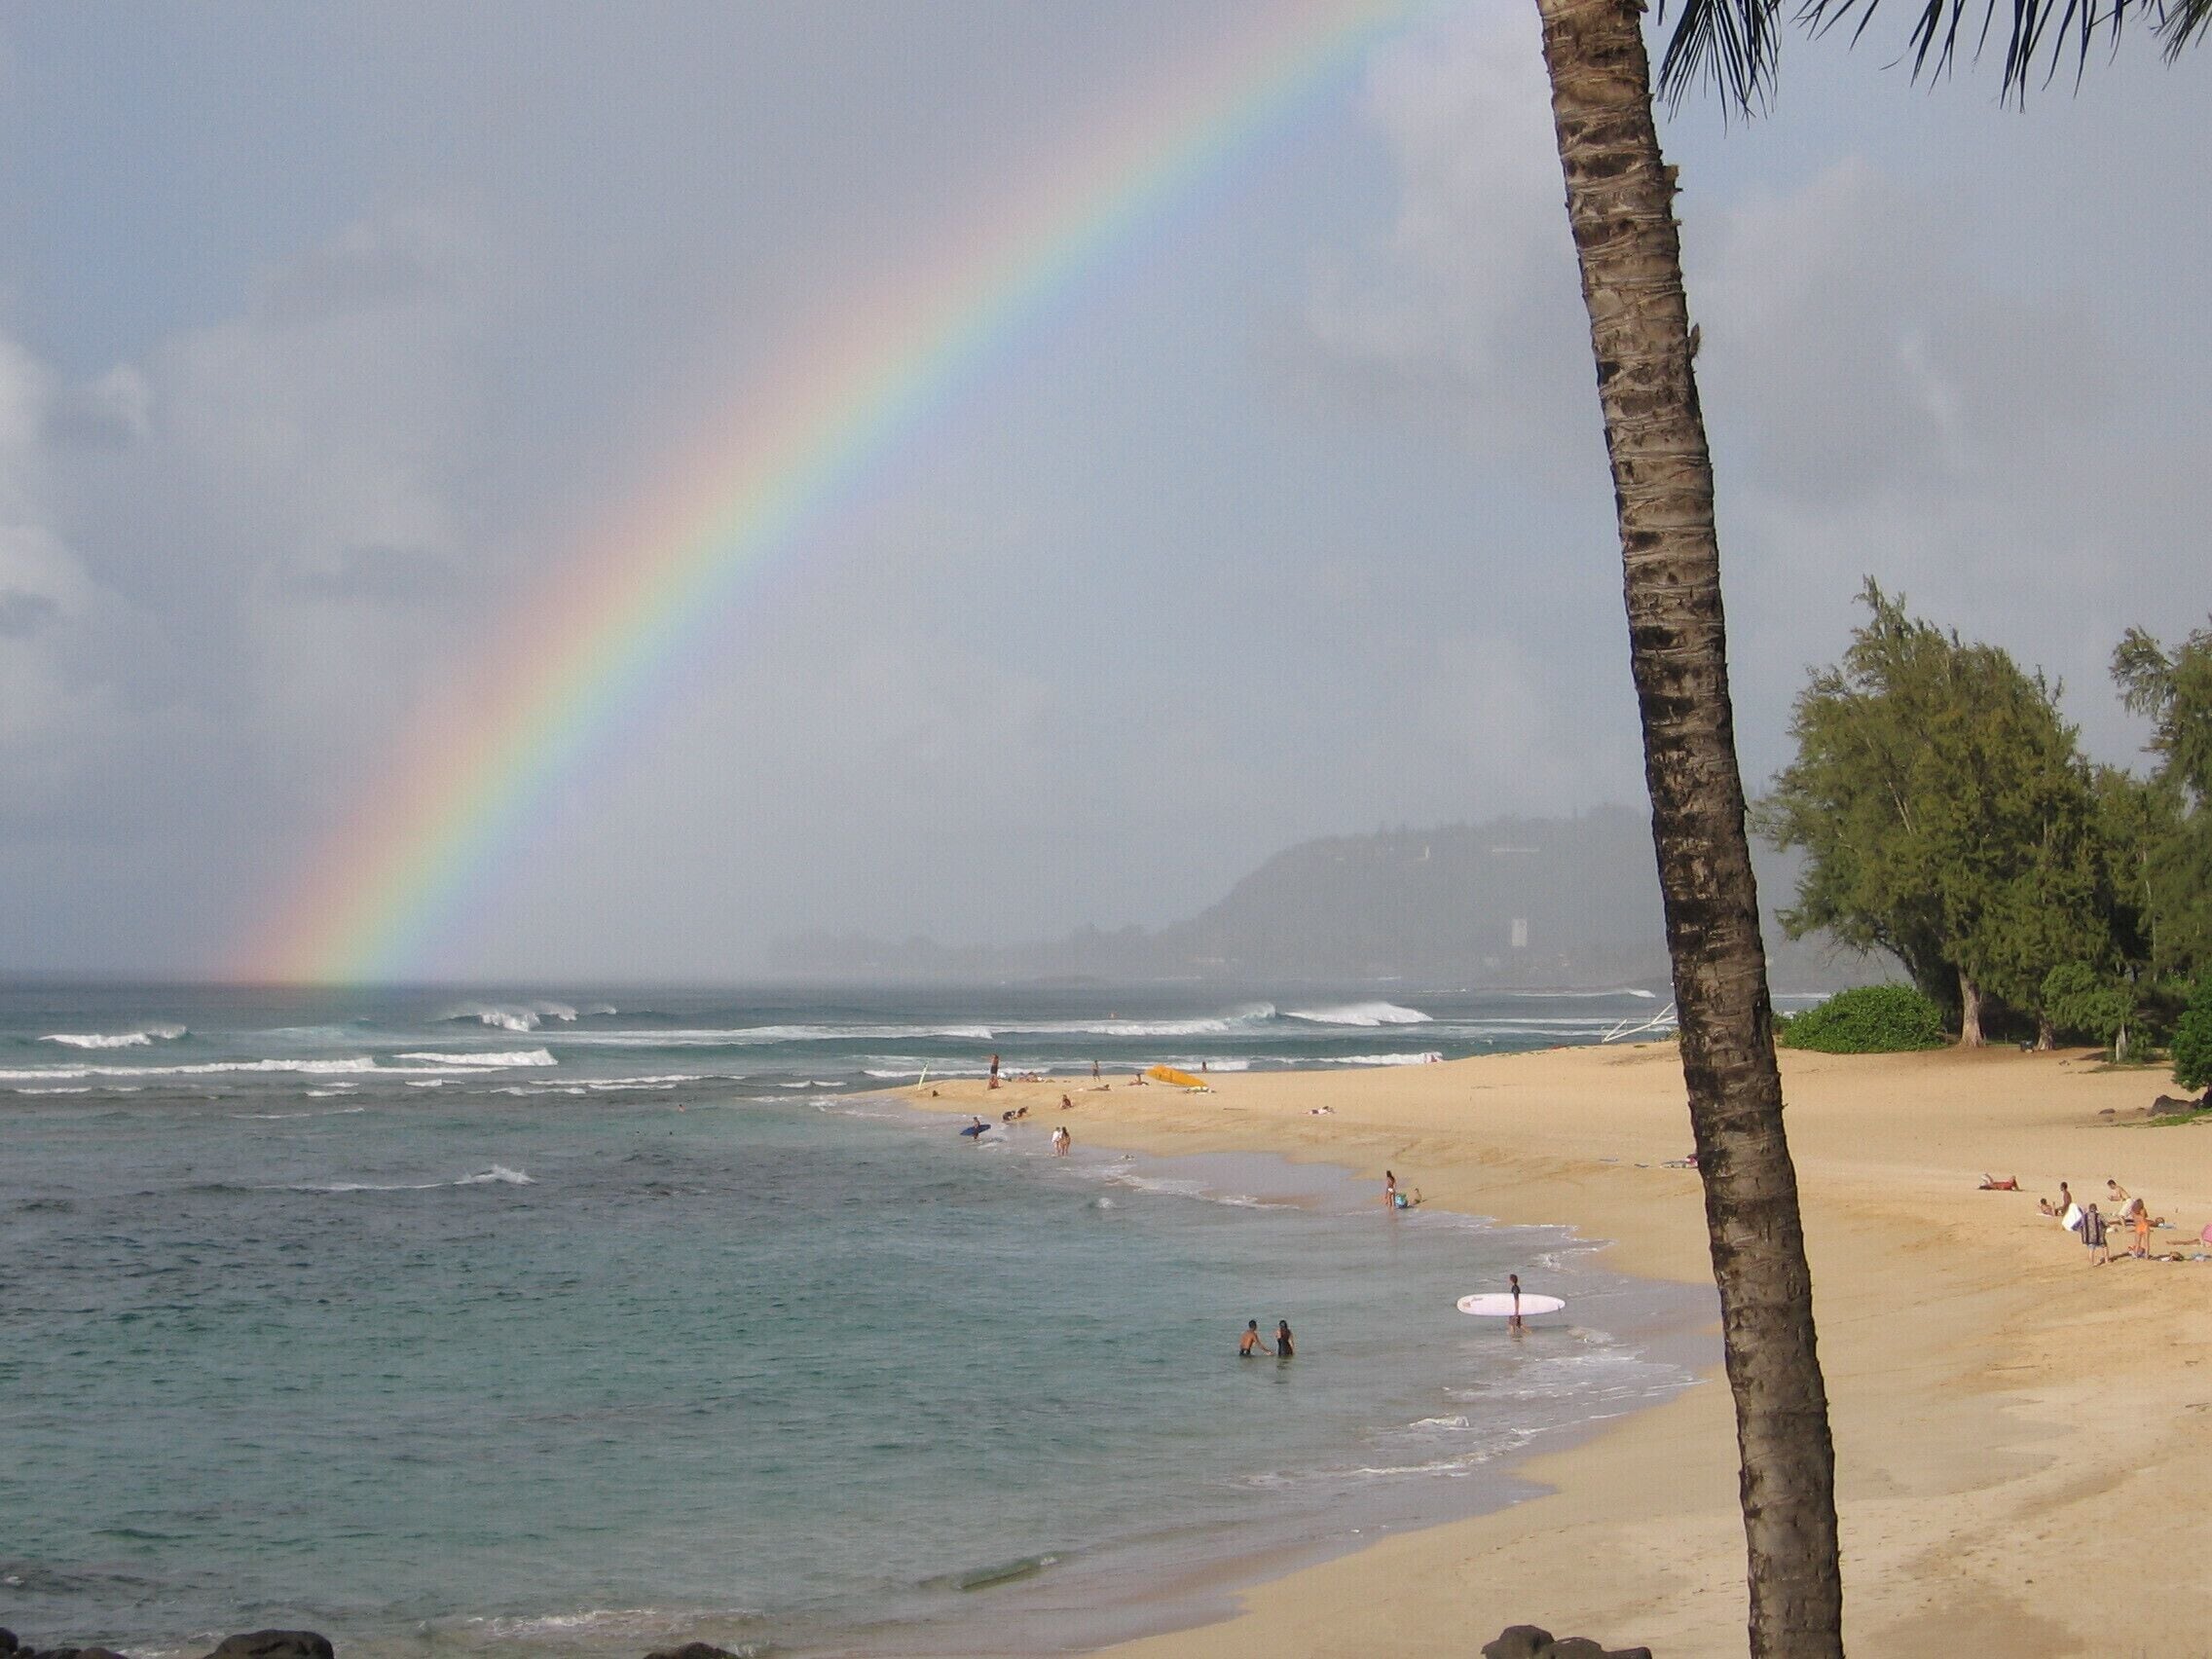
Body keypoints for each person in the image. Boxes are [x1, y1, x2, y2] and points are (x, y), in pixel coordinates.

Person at [2083, 1202, 2109, 1266]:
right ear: (2096, 1209)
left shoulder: (2085, 1216)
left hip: (2088, 1236)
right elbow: (2106, 1223)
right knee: (2105, 1247)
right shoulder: (2098, 1215)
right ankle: (2106, 1260)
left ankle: (2092, 1263)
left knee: (2091, 1249)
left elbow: (2082, 1225)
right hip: (2099, 1235)